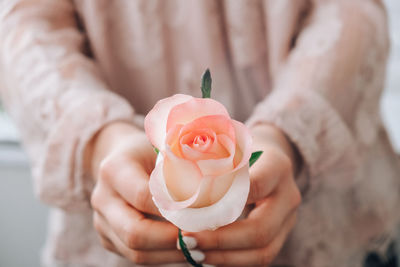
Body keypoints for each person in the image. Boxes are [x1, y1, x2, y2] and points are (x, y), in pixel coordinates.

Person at [0, 0, 399, 266]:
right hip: (116, 214)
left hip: (324, 205)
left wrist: (291, 132)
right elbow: (25, 23)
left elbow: (353, 8)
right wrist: (102, 137)